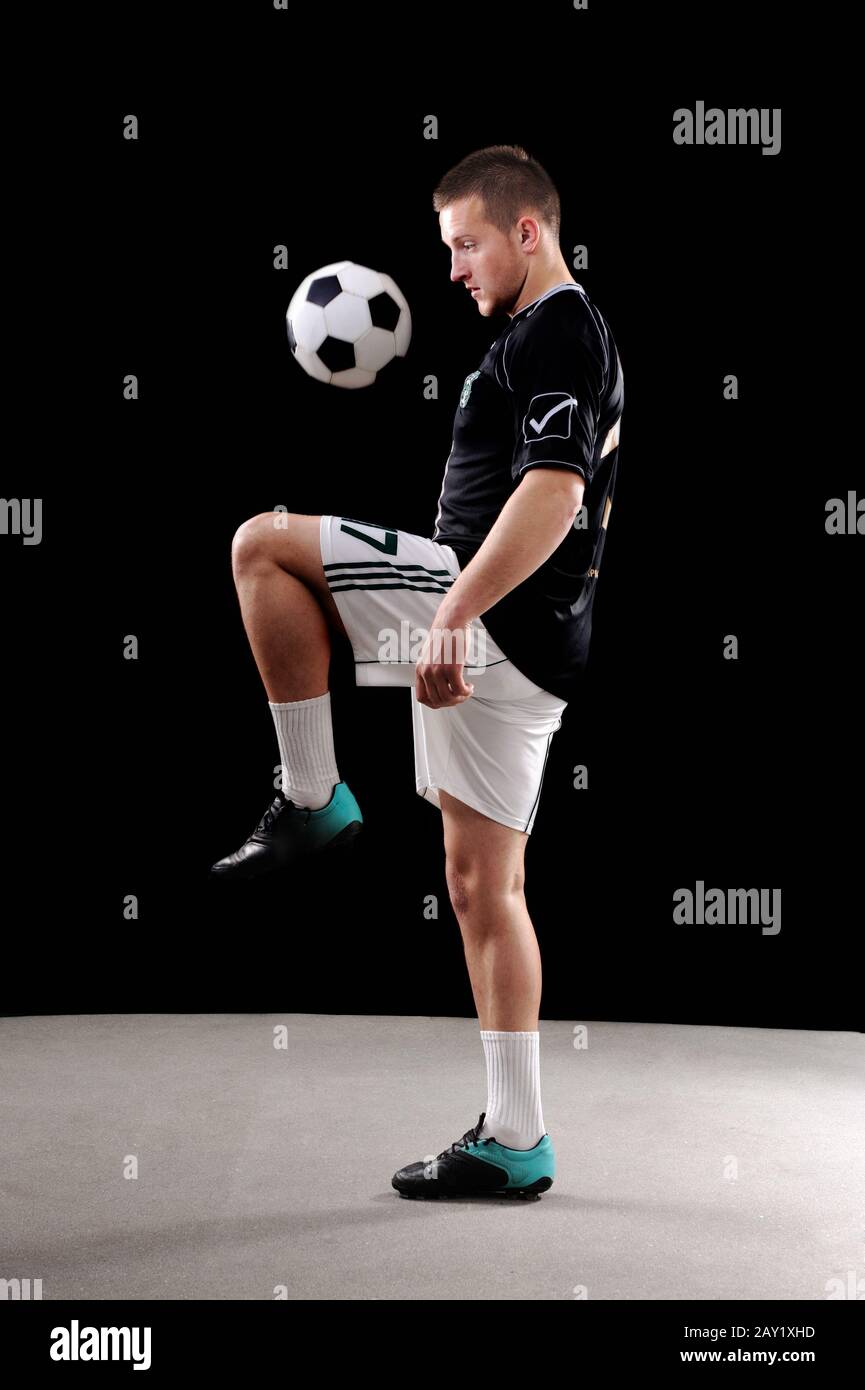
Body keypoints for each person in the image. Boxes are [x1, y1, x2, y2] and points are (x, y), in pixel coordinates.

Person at [211, 144, 624, 1200]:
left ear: (525, 231)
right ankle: (517, 1139)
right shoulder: (551, 333)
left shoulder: (558, 326)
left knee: (260, 547)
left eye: (465, 244)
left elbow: (555, 492)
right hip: (534, 653)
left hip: (484, 617)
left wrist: (451, 613)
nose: (452, 270)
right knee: (485, 888)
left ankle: (311, 795)